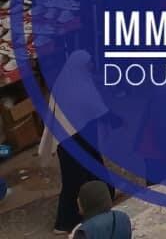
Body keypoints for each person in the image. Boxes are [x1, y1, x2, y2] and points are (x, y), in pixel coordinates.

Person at [51, 51, 114, 234]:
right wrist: (112, 118)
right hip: (71, 139)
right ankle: (64, 222)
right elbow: (95, 106)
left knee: (94, 167)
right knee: (73, 180)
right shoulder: (77, 85)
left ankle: (104, 199)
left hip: (80, 135)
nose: (91, 68)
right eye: (88, 65)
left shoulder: (69, 79)